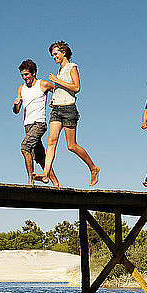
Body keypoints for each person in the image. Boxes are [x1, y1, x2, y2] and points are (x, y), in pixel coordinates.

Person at [33, 41, 100, 186]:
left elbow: (77, 87)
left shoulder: (72, 67)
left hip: (69, 110)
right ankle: (45, 174)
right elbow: (62, 91)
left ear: (63, 52)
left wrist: (57, 81)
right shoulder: (59, 70)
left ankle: (93, 168)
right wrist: (54, 98)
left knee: (71, 146)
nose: (54, 57)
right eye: (52, 55)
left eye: (56, 54)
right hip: (56, 110)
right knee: (51, 142)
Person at [13, 59, 61, 187]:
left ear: (33, 73)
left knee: (25, 147)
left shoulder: (43, 84)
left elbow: (58, 91)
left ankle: (30, 180)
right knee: (40, 157)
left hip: (39, 123)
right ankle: (56, 183)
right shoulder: (21, 88)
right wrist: (16, 104)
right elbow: (16, 111)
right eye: (22, 75)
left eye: (27, 74)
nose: (25, 78)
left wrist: (54, 101)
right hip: (28, 125)